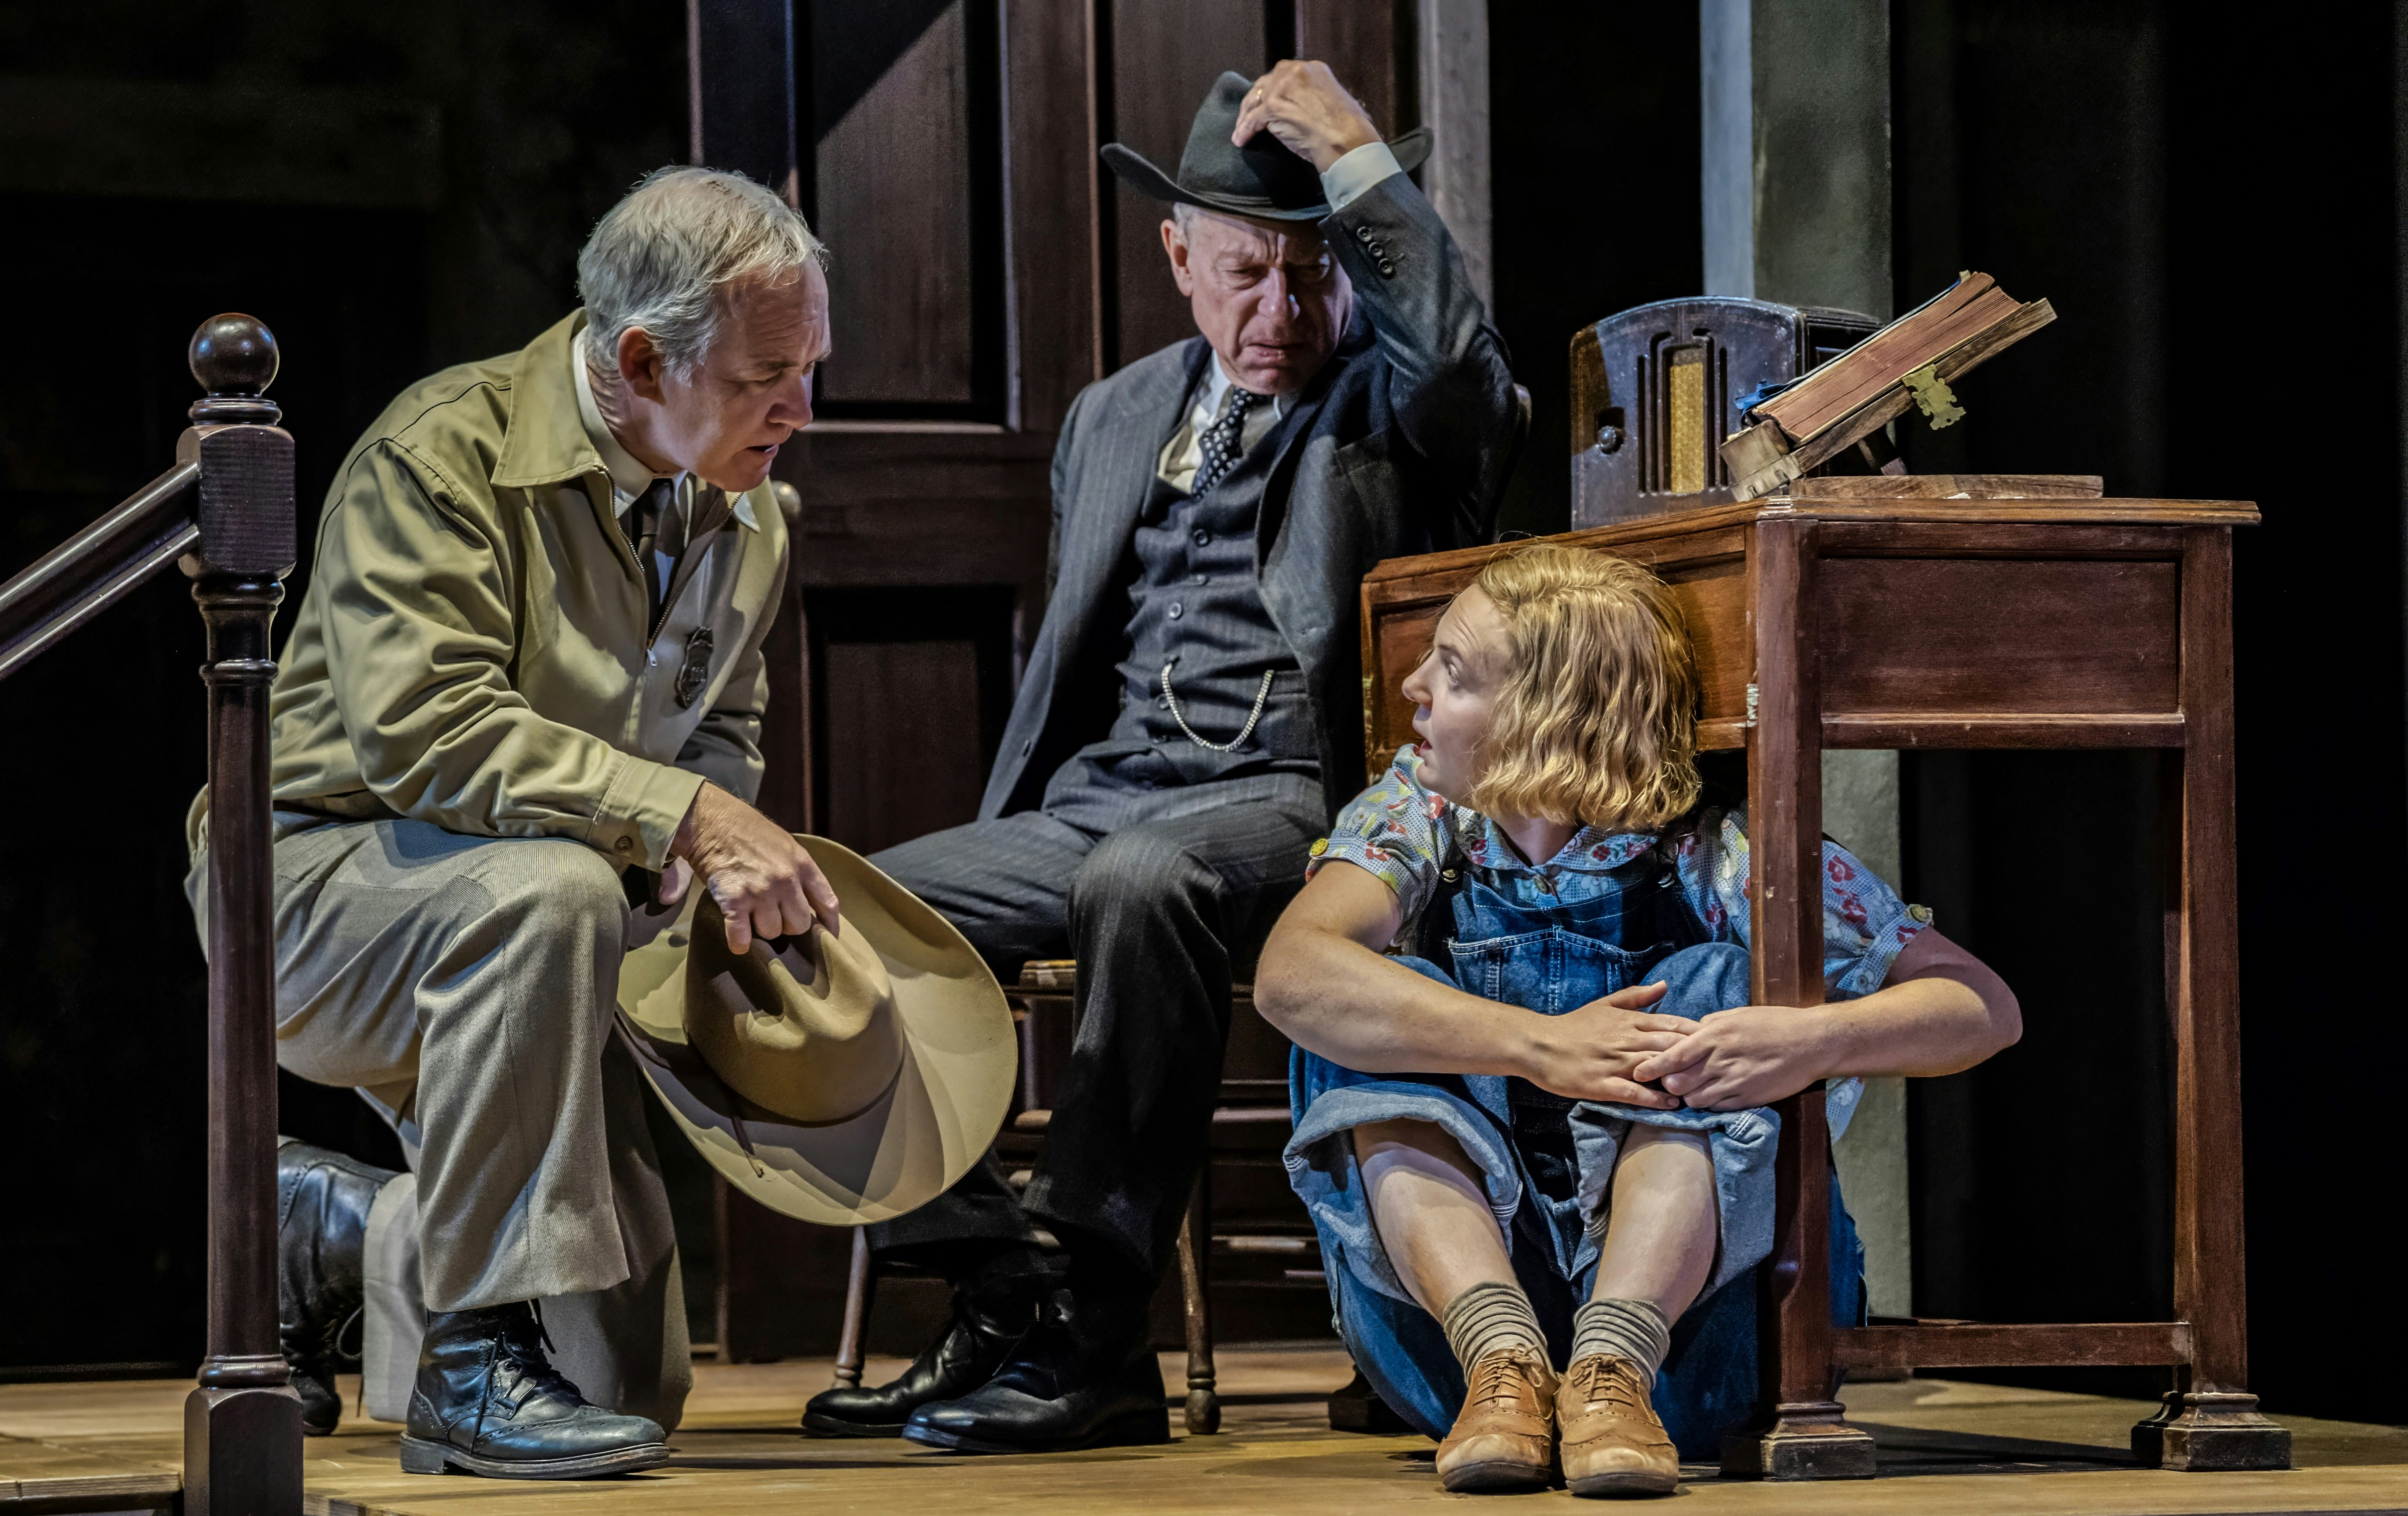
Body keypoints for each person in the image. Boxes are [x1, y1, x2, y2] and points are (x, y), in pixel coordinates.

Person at [800, 59, 1519, 1452]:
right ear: (1176, 255)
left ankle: (1097, 1335)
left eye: (1312, 275)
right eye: (1247, 273)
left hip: (1298, 797)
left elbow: (1460, 366)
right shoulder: (1112, 416)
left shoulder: (1393, 406)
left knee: (1145, 879)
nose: (1281, 312)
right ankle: (999, 1277)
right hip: (1103, 799)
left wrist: (1363, 163)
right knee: (836, 912)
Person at [188, 166, 844, 1479]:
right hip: (314, 889)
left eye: (814, 364)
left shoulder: (752, 510)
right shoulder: (443, 451)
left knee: (630, 1385)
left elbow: (723, 730)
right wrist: (676, 818)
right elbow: (426, 732)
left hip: (544, 923)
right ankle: (472, 1361)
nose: (804, 408)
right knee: (550, 889)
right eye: (769, 373)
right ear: (644, 357)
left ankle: (338, 1228)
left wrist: (693, 851)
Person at [1252, 545, 2021, 1496]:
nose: (1410, 686)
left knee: (1710, 978)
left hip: (1698, 1351)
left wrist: (1809, 1037)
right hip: (1455, 1367)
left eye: (1450, 673)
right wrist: (1543, 1047)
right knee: (1366, 993)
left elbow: (1982, 1006)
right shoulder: (1417, 813)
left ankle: (1612, 1363)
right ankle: (1508, 1360)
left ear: (1541, 717)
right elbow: (1292, 974)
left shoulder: (1717, 848)